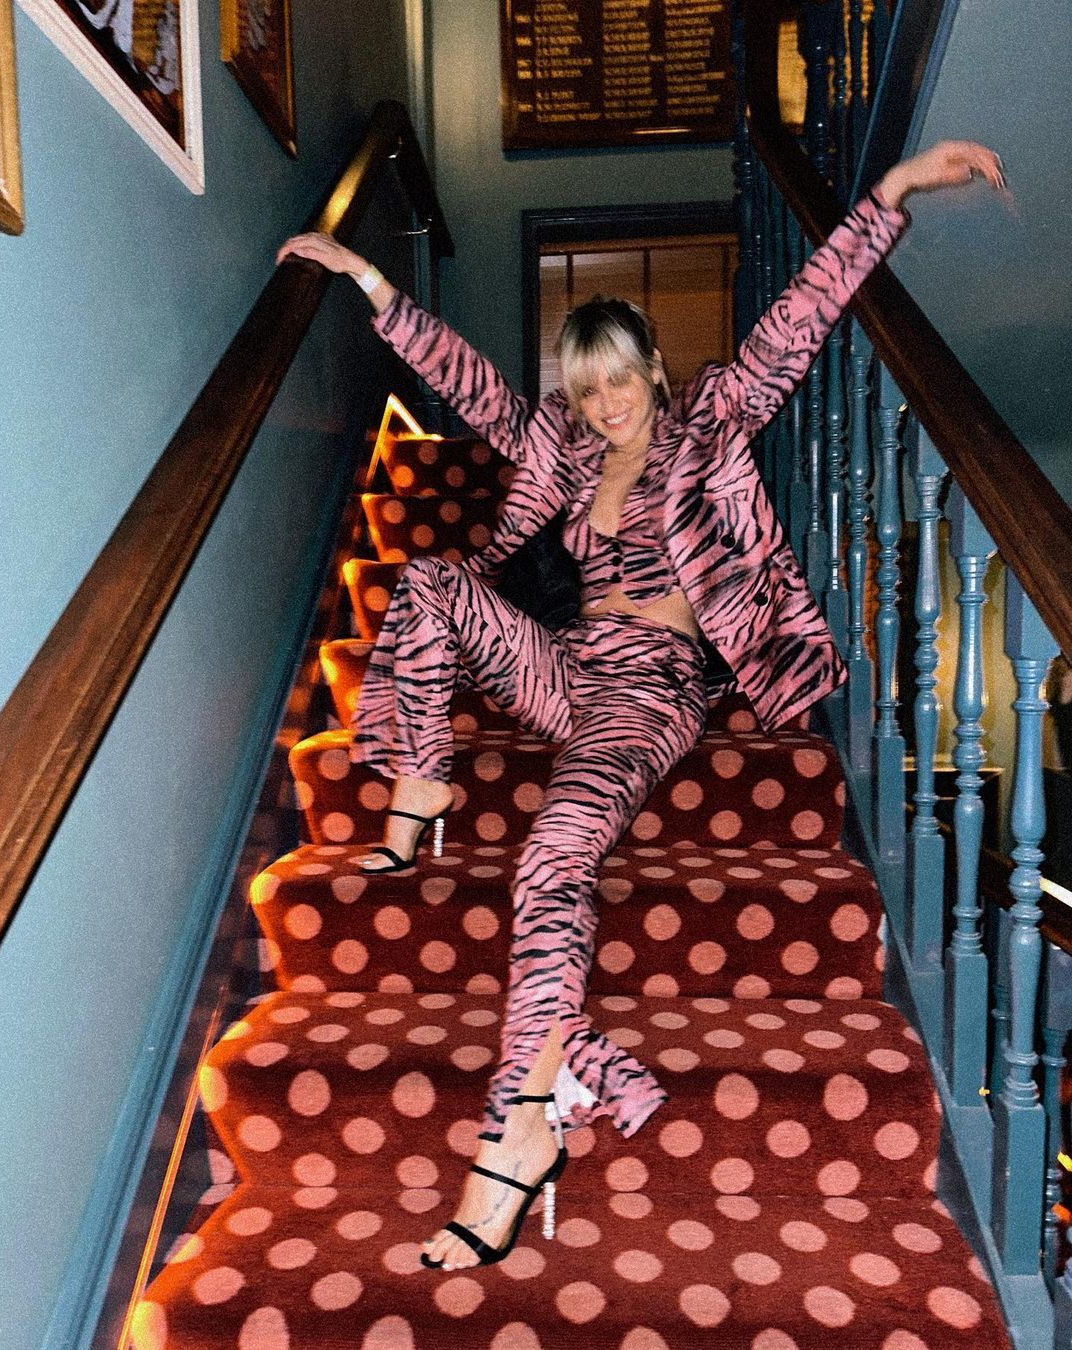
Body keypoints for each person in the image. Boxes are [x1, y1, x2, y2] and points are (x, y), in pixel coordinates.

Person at [276, 140, 1005, 1272]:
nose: (605, 403)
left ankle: (520, 1133)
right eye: (585, 386)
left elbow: (797, 326)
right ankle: (421, 790)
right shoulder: (564, 451)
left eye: (620, 377)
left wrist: (891, 196)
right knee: (425, 585)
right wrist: (369, 279)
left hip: (650, 689)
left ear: (656, 368)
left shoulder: (709, 426)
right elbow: (467, 383)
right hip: (565, 670)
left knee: (552, 854)